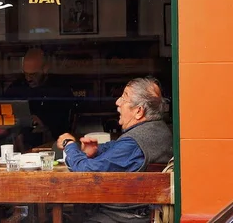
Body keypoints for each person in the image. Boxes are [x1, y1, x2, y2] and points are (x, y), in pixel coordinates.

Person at [56, 76, 173, 223]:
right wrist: (98, 150)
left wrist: (69, 145)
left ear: (138, 111)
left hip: (120, 217)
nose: (117, 102)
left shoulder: (134, 143)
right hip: (134, 214)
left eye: (124, 97)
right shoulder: (159, 130)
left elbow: (85, 172)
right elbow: (117, 147)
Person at [3, 48, 74, 145]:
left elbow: (63, 121)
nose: (28, 79)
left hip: (52, 142)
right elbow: (0, 107)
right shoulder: (17, 86)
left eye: (33, 75)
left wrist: (42, 121)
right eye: (26, 74)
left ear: (45, 69)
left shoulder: (59, 89)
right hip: (16, 138)